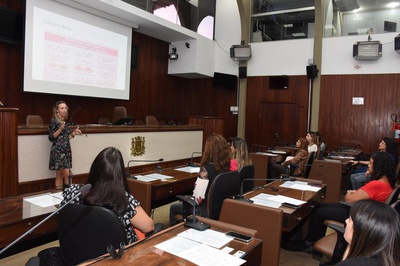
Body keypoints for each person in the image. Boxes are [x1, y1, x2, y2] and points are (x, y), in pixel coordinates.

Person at [296, 151, 396, 253]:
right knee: (320, 207)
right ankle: (314, 242)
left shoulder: (376, 184)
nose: (368, 165)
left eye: (371, 163)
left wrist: (350, 192)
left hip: (358, 216)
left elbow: (349, 198)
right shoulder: (387, 182)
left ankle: (309, 243)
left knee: (317, 212)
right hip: (365, 212)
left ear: (379, 166)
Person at [61, 147, 154, 243]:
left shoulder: (73, 192)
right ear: (120, 174)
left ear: (94, 169)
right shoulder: (124, 201)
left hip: (79, 252)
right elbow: (149, 227)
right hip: (118, 255)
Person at [169, 133, 231, 224]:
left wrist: (187, 197)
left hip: (203, 211)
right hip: (219, 210)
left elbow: (197, 197)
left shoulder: (206, 170)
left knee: (173, 207)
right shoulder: (226, 169)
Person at [335, 200, 400, 266]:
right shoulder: (388, 257)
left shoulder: (351, 264)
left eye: (350, 220)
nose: (346, 221)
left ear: (361, 231)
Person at [48, 101, 82, 187]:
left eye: (65, 108)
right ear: (57, 110)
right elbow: (51, 137)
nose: (64, 110)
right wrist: (60, 129)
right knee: (68, 175)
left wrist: (74, 133)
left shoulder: (64, 122)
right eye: (62, 108)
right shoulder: (54, 122)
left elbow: (66, 138)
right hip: (58, 152)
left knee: (59, 175)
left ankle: (60, 195)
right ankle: (67, 195)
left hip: (66, 151)